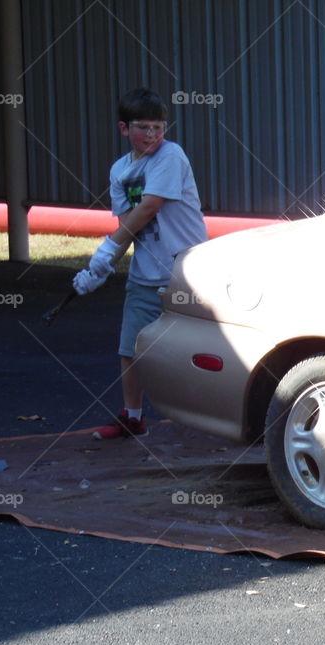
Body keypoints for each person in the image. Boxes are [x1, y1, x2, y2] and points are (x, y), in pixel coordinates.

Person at [73, 87, 208, 439]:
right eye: (143, 127)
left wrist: (104, 250)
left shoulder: (170, 155)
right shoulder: (119, 171)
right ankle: (133, 417)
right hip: (145, 272)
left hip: (185, 269)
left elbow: (149, 206)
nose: (152, 135)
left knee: (198, 345)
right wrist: (100, 269)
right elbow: (126, 225)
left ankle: (215, 417)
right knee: (131, 347)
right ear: (123, 129)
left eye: (158, 127)